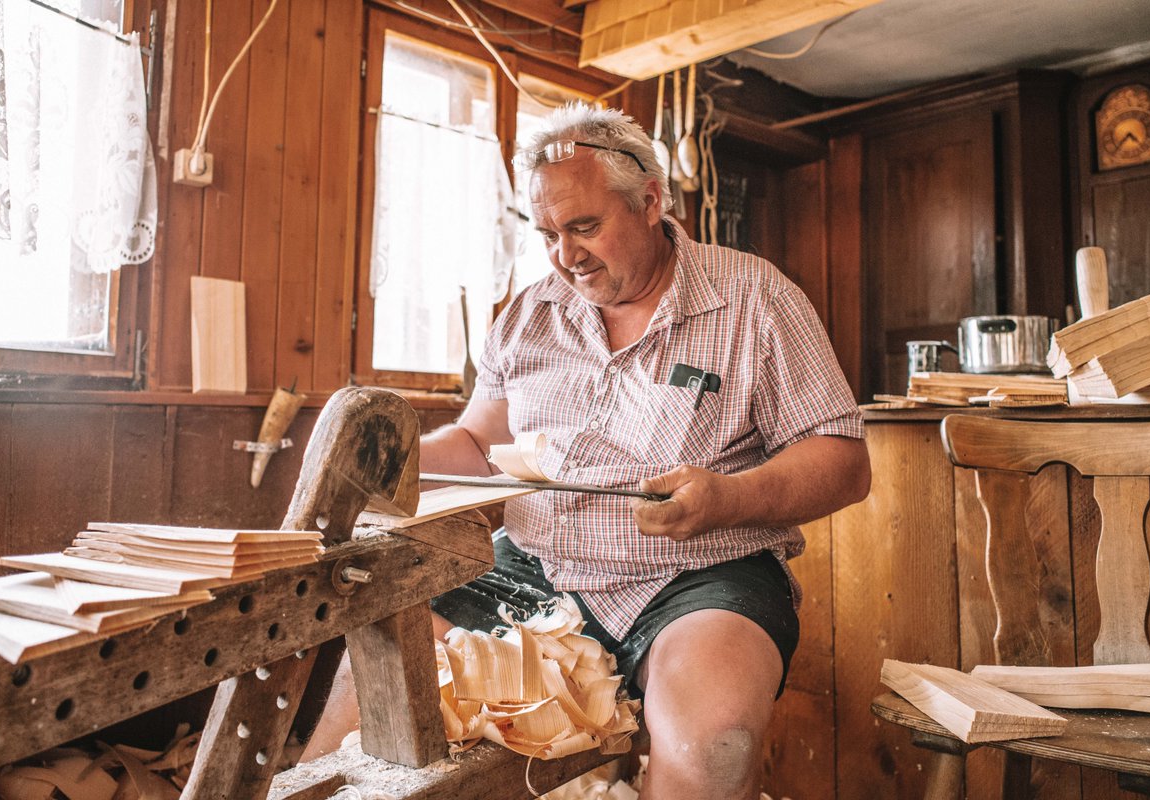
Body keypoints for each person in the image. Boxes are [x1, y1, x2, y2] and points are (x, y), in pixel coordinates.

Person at [306, 103, 870, 799]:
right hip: (530, 569)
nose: (565, 255)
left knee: (713, 746)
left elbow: (843, 462)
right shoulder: (530, 314)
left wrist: (728, 498)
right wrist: (379, 464)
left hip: (700, 575)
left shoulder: (755, 297)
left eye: (584, 227)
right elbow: (480, 443)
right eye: (547, 234)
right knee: (367, 697)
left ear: (650, 202)